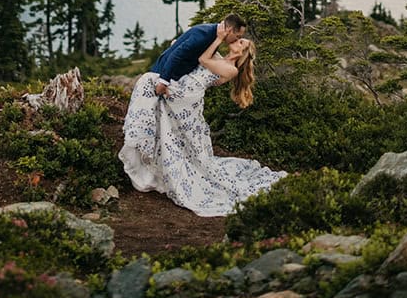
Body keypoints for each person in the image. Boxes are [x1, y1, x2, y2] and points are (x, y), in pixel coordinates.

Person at [119, 26, 287, 216]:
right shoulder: (218, 58)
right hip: (182, 92)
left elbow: (202, 60)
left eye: (242, 42)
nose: (238, 40)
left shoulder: (230, 69)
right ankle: (149, 165)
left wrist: (217, 38)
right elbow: (186, 49)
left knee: (178, 140)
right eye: (239, 38)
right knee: (168, 131)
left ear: (242, 53)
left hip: (187, 100)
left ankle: (166, 171)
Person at [150, 14, 247, 96]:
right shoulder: (204, 35)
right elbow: (177, 54)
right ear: (229, 30)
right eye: (237, 36)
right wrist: (163, 82)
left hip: (178, 83)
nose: (237, 40)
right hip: (162, 74)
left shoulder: (214, 37)